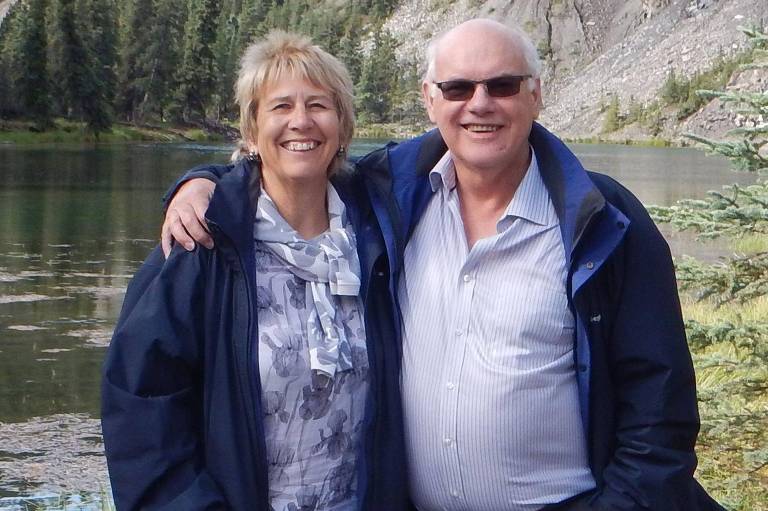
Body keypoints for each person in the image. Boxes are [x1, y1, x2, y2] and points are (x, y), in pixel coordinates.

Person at [162, 19, 724, 511]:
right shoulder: (388, 197)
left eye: (501, 85)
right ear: (430, 100)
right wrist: (201, 183)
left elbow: (660, 404)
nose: (480, 103)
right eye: (457, 87)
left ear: (535, 96)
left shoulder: (603, 219)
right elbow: (292, 162)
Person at [101, 31, 410, 511]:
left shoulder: (375, 232)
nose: (301, 121)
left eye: (319, 106)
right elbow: (141, 407)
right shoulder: (201, 242)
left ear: (344, 126)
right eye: (280, 107)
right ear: (251, 130)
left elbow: (463, 133)